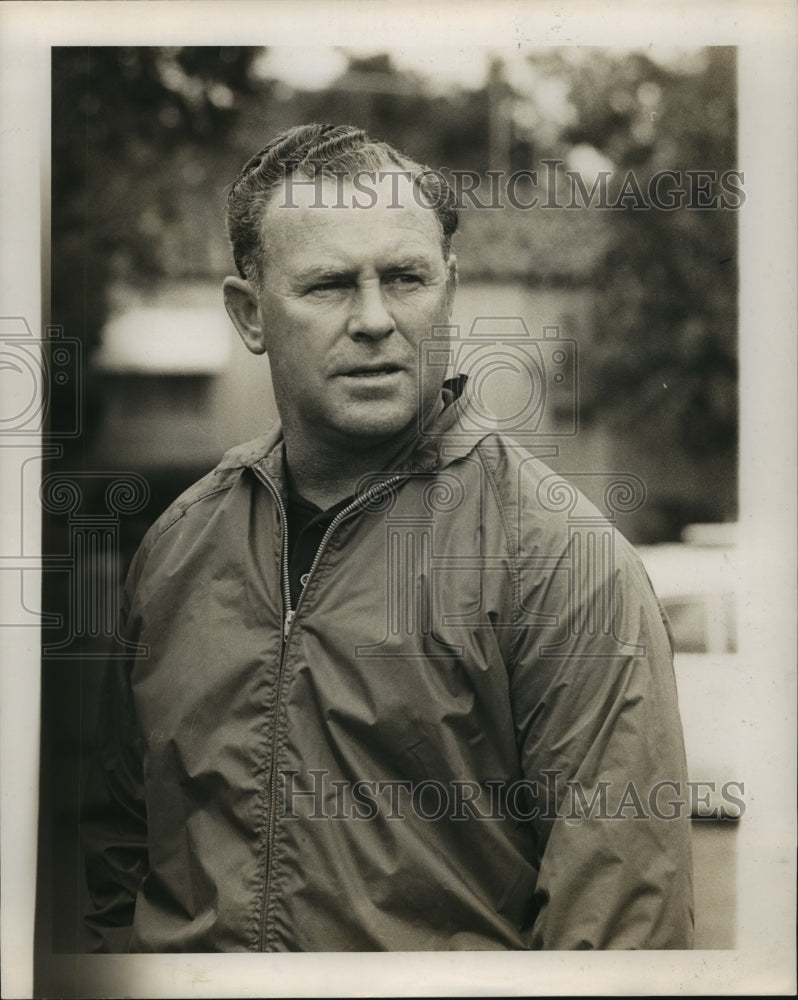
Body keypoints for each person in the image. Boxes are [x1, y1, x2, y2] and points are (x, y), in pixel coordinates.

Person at [83, 123, 694, 952]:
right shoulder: (177, 548)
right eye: (329, 285)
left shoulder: (560, 561)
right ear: (248, 314)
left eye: (405, 278)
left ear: (449, 287)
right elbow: (120, 858)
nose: (375, 320)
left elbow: (626, 932)